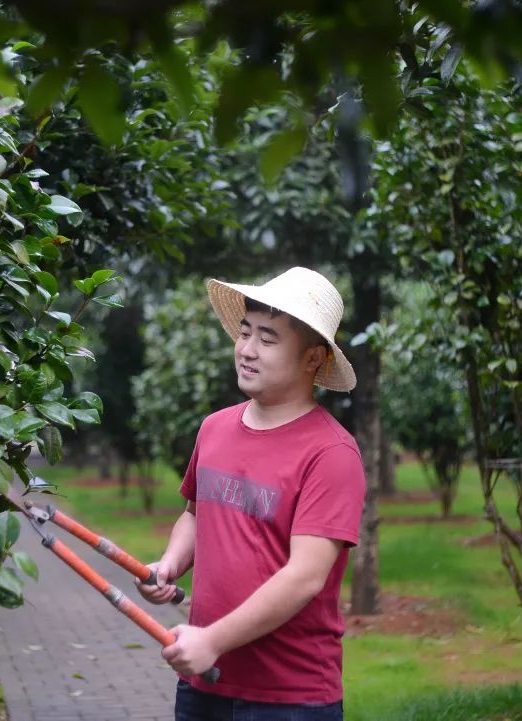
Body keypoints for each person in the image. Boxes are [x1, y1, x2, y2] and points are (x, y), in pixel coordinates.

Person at [135, 266, 367, 720]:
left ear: (313, 359)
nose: (247, 350)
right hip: (205, 683)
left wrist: (211, 640)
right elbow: (197, 514)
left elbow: (305, 577)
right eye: (245, 333)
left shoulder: (332, 453)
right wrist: (170, 564)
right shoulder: (215, 428)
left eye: (268, 338)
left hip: (290, 698)